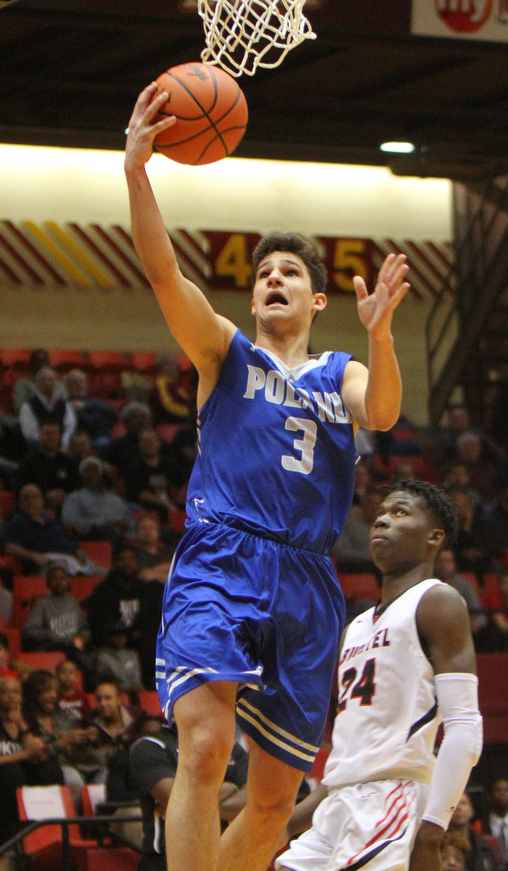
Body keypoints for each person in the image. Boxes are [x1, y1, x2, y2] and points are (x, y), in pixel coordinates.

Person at [125, 81, 408, 871]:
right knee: (207, 744)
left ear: (319, 297)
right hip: (223, 556)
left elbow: (381, 412)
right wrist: (137, 172)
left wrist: (382, 337)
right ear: (252, 296)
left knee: (275, 804)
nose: (272, 279)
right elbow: (160, 274)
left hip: (308, 583)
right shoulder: (225, 351)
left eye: (289, 272)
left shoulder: (340, 370)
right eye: (263, 273)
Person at [277, 480, 482, 871]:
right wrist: (283, 823)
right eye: (380, 514)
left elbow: (465, 729)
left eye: (400, 513)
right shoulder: (355, 628)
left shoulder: (437, 602)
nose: (383, 520)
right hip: (338, 804)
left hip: (393, 798)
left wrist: (431, 830)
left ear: (434, 537)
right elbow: (351, 761)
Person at [129, 724, 250, 871]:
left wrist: (188, 806)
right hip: (166, 861)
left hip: (222, 859)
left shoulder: (231, 747)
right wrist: (231, 787)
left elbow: (251, 801)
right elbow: (178, 801)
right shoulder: (150, 746)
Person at [0, 674, 61, 844]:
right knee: (12, 773)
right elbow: (29, 753)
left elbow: (39, 754)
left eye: (16, 692)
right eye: (5, 692)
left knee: (50, 769)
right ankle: (10, 838)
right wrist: (24, 755)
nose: (11, 696)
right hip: (6, 775)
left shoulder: (26, 717)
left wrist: (21, 725)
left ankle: (51, 832)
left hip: (24, 771)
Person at [61, 455, 135, 547]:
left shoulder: (115, 499)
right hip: (93, 538)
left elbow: (130, 521)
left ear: (100, 475)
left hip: (122, 537)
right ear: (82, 476)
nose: (91, 475)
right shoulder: (75, 498)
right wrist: (102, 523)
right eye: (87, 471)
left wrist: (126, 526)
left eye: (95, 471)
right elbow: (70, 521)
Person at [21, 562, 90, 653]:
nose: (59, 582)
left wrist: (82, 638)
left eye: (62, 578)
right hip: (51, 648)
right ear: (48, 583)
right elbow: (28, 631)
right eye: (54, 579)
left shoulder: (73, 603)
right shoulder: (42, 604)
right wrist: (50, 636)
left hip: (74, 647)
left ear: (68, 581)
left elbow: (85, 629)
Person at [15, 418, 80, 511]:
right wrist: (44, 496)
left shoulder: (69, 462)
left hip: (69, 508)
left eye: (55, 433)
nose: (51, 437)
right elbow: (21, 490)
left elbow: (77, 487)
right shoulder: (27, 463)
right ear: (40, 434)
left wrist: (67, 496)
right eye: (47, 433)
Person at [18, 365, 77, 449]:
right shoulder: (28, 406)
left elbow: (70, 426)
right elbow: (30, 433)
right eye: (43, 380)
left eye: (50, 379)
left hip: (62, 445)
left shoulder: (64, 404)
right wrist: (49, 443)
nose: (47, 383)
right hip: (39, 447)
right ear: (37, 383)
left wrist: (64, 442)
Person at [64, 368, 118, 449]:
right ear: (67, 385)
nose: (79, 385)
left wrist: (85, 405)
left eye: (81, 382)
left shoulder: (93, 401)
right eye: (75, 382)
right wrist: (100, 417)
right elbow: (87, 422)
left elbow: (113, 412)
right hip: (82, 439)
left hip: (101, 438)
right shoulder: (66, 404)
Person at [448, 793, 497, 871]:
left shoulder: (484, 846)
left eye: (463, 803)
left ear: (471, 810)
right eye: (454, 803)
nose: (459, 807)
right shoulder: (438, 844)